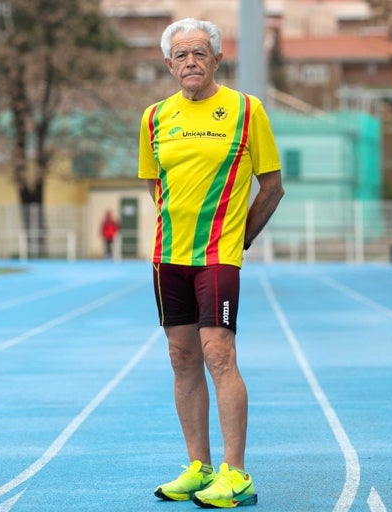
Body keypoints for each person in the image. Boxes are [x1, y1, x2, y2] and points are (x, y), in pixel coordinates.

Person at [138, 18, 284, 509]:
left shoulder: (247, 110)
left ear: (217, 59)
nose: (190, 62)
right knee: (182, 359)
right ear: (168, 64)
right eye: (181, 55)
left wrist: (235, 241)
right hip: (167, 257)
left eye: (199, 53)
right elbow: (155, 183)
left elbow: (272, 186)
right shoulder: (154, 117)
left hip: (218, 257)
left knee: (219, 356)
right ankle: (199, 468)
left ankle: (236, 474)